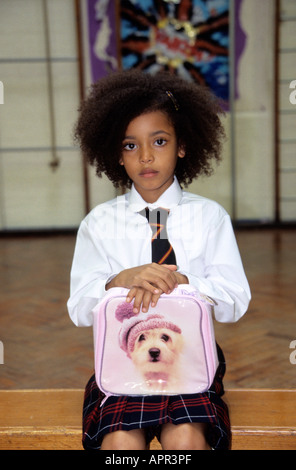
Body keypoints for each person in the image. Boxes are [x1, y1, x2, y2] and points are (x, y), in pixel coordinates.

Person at [67, 70, 251, 450]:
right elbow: (79, 309)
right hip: (122, 361)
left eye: (160, 141)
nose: (146, 156)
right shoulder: (98, 224)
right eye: (130, 146)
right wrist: (118, 279)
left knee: (185, 439)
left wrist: (186, 283)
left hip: (191, 360)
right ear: (116, 154)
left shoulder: (210, 217)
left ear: (182, 146)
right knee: (121, 442)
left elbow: (235, 302)